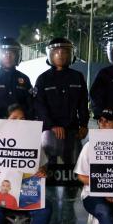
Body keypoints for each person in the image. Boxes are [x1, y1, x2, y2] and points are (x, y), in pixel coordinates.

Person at [34, 37, 89, 165]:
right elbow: (39, 105)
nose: (61, 55)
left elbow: (82, 103)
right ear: (50, 55)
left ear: (71, 55)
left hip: (72, 129)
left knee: (74, 165)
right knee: (48, 166)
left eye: (64, 52)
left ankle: (73, 185)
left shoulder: (77, 77)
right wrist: (52, 125)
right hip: (49, 130)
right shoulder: (43, 79)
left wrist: (84, 124)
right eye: (56, 52)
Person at [0, 37, 33, 145]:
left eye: (12, 53)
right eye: (4, 53)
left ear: (17, 56)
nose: (8, 56)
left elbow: (31, 104)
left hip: (19, 130)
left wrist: (29, 125)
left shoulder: (24, 79)